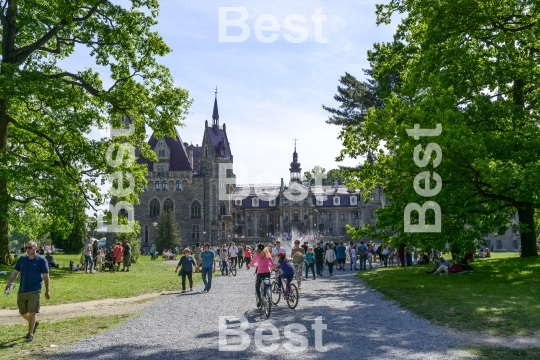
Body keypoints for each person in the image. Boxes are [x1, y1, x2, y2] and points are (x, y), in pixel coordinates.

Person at [4, 241, 51, 342]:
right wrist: (9, 283)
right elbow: (15, 272)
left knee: (32, 312)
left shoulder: (41, 260)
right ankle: (34, 322)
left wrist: (47, 290)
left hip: (35, 290)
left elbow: (46, 276)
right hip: (23, 290)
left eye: (30, 247)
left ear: (36, 248)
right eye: (26, 248)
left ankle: (30, 334)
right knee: (22, 312)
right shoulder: (22, 259)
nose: (27, 249)